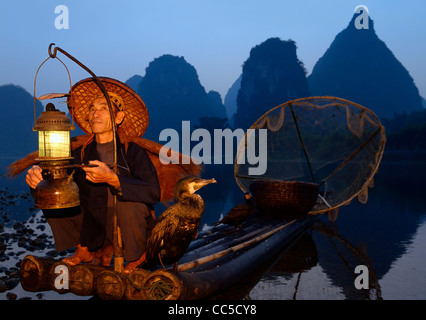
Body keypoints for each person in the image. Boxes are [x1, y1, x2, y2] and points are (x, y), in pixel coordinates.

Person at [25, 77, 161, 273]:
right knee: (55, 195)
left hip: (128, 226)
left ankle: (137, 255)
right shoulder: (81, 153)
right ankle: (84, 250)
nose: (95, 113)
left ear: (118, 117)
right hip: (96, 227)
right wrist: (37, 178)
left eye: (104, 108)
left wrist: (113, 179)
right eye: (92, 108)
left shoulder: (131, 151)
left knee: (128, 203)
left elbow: (153, 192)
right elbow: (55, 180)